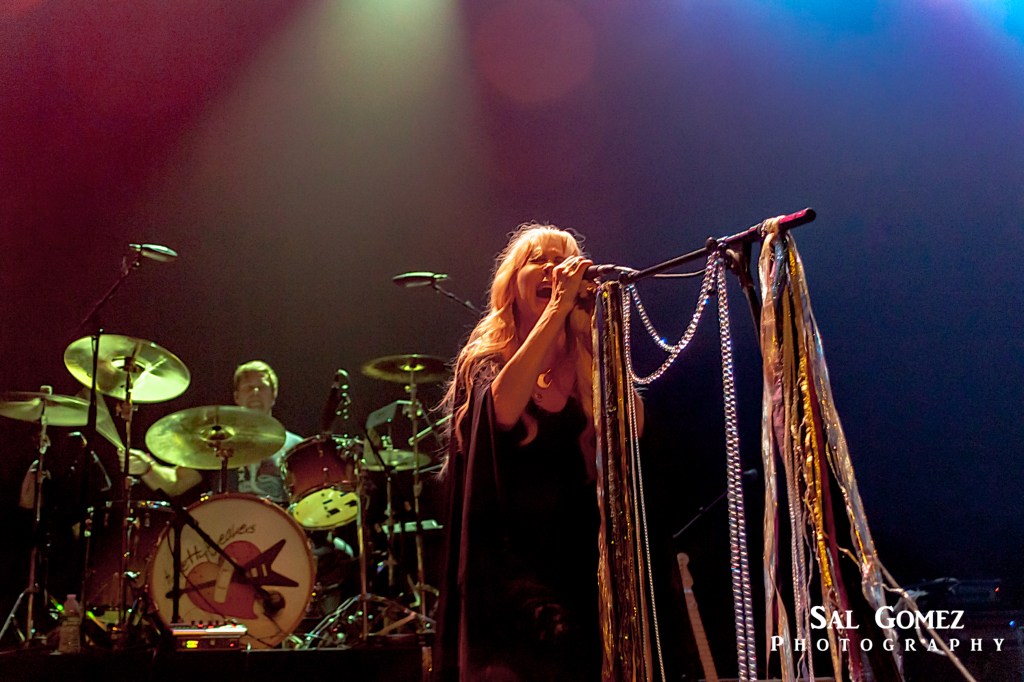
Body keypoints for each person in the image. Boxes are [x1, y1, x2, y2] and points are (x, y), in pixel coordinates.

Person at [435, 223, 643, 681]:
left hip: (578, 563)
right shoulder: (487, 356)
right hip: (509, 571)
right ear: (511, 284)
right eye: (539, 260)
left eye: (561, 260)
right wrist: (556, 311)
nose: (552, 269)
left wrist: (593, 339)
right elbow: (502, 413)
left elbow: (632, 428)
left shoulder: (585, 355)